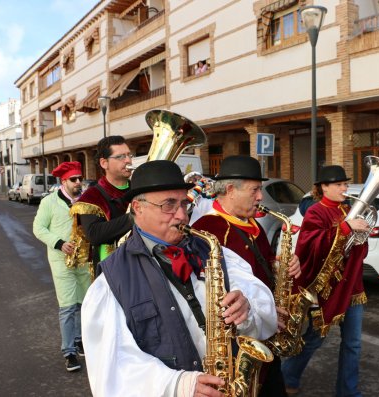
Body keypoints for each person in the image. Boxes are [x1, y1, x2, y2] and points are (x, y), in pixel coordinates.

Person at [81, 160, 277, 396]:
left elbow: (262, 300)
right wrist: (176, 384)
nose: (182, 215)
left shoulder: (213, 249)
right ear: (138, 208)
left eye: (184, 203)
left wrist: (248, 307)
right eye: (168, 205)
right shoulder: (112, 281)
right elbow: (111, 366)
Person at [192, 155, 302, 397]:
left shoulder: (250, 224)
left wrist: (281, 265)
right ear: (231, 190)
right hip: (236, 343)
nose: (260, 197)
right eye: (255, 190)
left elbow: (262, 264)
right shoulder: (208, 229)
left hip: (265, 333)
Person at [281, 165, 371, 397]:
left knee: (353, 344)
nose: (345, 188)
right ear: (324, 187)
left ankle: (348, 392)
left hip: (352, 286)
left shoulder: (348, 209)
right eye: (339, 184)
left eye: (345, 184)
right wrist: (345, 228)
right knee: (314, 339)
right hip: (327, 287)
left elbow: (358, 250)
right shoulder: (315, 211)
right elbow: (311, 246)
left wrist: (361, 236)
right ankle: (287, 376)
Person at [33, 161, 91, 372]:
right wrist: (59, 243)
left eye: (80, 179)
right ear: (63, 181)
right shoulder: (49, 202)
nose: (78, 183)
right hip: (61, 260)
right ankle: (69, 352)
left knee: (83, 304)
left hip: (83, 259)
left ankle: (79, 339)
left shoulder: (84, 201)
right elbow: (38, 228)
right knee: (67, 307)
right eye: (74, 180)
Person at [70, 135, 133, 277]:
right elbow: (95, 234)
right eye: (121, 157)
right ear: (104, 163)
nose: (128, 160)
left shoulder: (139, 189)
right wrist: (134, 217)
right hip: (111, 271)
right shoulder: (91, 197)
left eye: (129, 155)